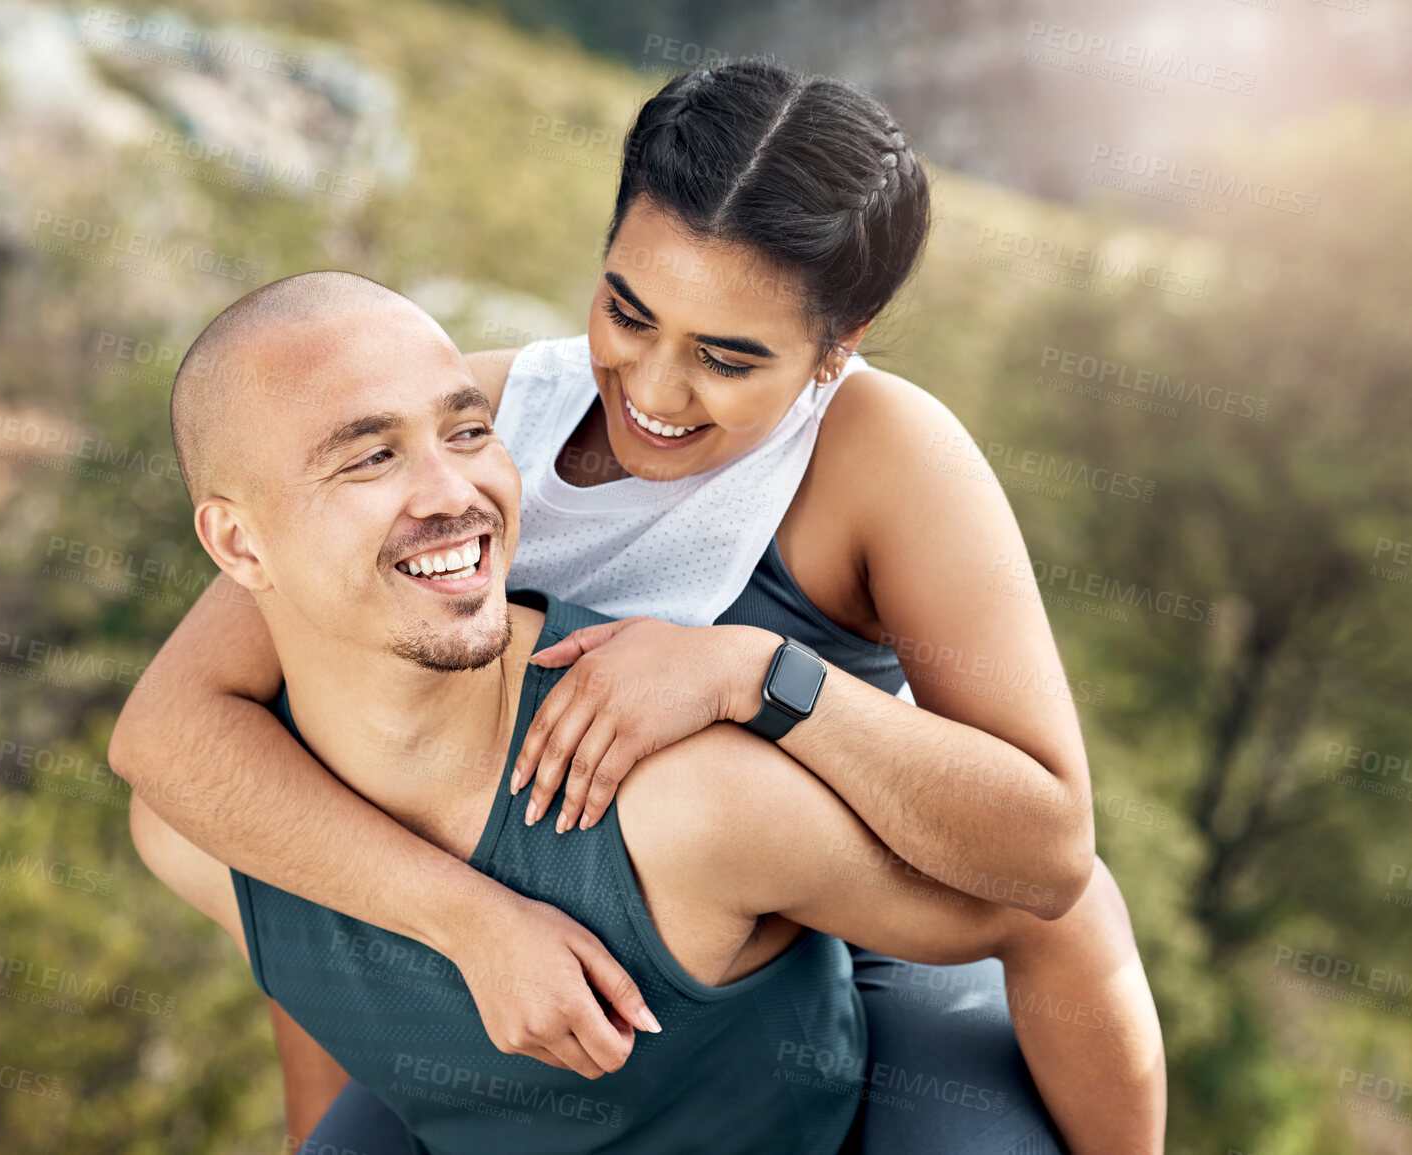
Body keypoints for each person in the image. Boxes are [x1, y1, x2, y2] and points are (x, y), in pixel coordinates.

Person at [111, 61, 1107, 1151]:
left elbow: (1051, 856)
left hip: (855, 928)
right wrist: (471, 925)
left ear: (841, 342)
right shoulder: (465, 433)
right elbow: (184, 744)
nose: (655, 390)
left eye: (728, 358)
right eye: (628, 311)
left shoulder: (882, 455)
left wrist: (751, 676)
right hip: (527, 942)